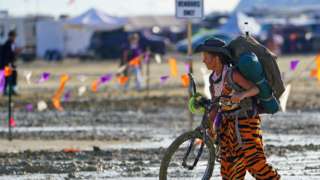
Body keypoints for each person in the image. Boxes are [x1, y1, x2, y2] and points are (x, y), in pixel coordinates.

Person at [194, 37, 280, 179]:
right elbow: (216, 105)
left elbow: (255, 89)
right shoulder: (213, 78)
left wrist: (241, 95)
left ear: (216, 58)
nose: (203, 60)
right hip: (228, 127)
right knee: (229, 168)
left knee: (255, 163)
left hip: (247, 122)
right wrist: (207, 125)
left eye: (206, 57)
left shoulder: (232, 75)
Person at [1, 30, 20, 96]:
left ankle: (12, 90)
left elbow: (12, 54)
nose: (14, 38)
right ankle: (5, 91)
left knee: (13, 77)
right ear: (10, 36)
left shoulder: (12, 44)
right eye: (13, 36)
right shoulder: (7, 44)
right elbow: (7, 56)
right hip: (8, 64)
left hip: (12, 64)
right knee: (7, 78)